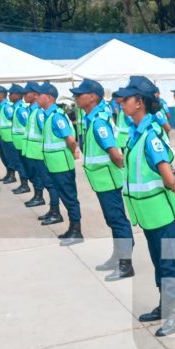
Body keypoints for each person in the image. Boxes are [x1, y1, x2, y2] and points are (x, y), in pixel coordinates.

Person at [114, 76, 175, 337]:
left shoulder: (150, 135)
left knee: (169, 263)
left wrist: (174, 184)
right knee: (160, 262)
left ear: (140, 103)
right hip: (148, 214)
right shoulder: (137, 132)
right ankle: (165, 306)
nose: (122, 103)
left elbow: (165, 172)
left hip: (161, 212)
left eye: (127, 99)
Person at [71, 79, 135, 281]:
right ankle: (118, 256)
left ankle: (126, 264)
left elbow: (115, 154)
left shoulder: (98, 122)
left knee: (117, 220)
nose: (76, 97)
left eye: (80, 94)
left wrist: (127, 172)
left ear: (93, 97)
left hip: (108, 180)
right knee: (113, 220)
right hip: (102, 180)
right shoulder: (94, 118)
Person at [35, 82, 83, 246]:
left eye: (39, 94)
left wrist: (73, 153)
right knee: (65, 197)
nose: (36, 97)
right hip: (55, 165)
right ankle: (72, 228)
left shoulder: (56, 116)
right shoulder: (49, 115)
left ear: (48, 98)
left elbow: (70, 140)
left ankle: (77, 231)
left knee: (70, 198)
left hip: (62, 165)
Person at [21, 82, 59, 215]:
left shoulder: (39, 112)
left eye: (27, 93)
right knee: (40, 179)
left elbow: (46, 132)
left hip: (40, 153)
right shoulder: (32, 110)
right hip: (33, 152)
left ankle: (55, 210)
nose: (24, 95)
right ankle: (42, 200)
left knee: (49, 183)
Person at [6, 84, 32, 195]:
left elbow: (28, 125)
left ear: (17, 95)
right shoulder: (17, 108)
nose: (9, 96)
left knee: (21, 164)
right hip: (18, 142)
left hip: (21, 142)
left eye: (11, 94)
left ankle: (25, 185)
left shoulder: (21, 109)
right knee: (19, 163)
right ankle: (23, 184)